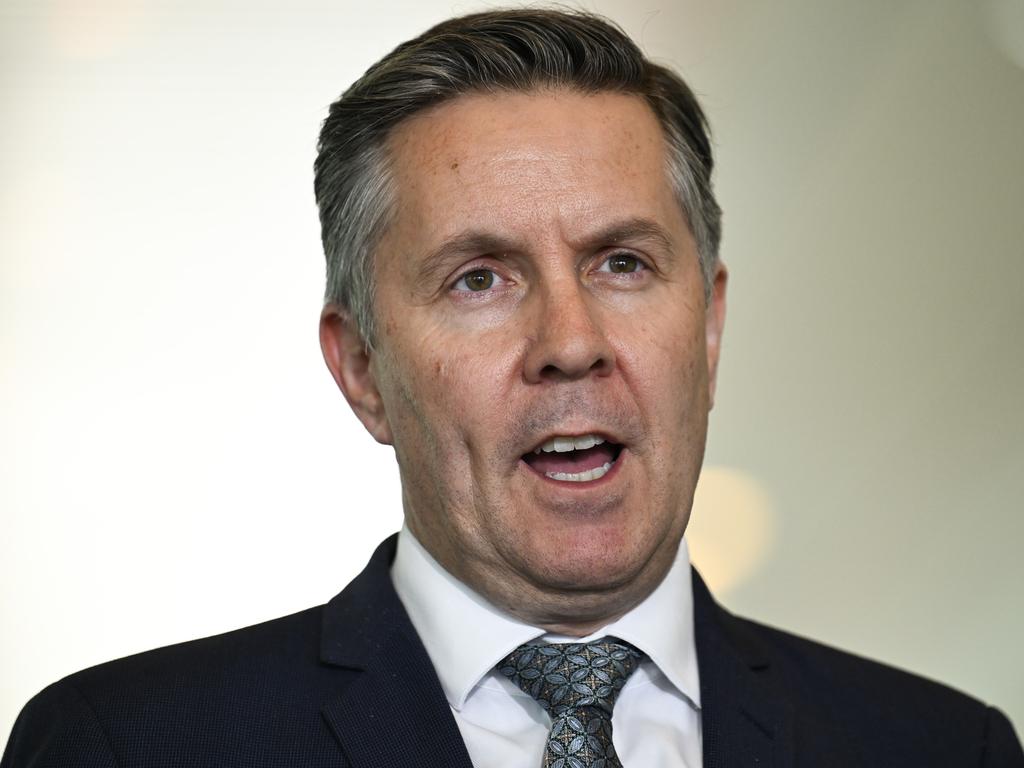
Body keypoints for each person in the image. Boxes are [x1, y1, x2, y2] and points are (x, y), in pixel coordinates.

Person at [3, 8, 1021, 768]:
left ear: (707, 328)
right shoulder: (126, 747)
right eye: (478, 278)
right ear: (360, 367)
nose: (569, 342)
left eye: (621, 262)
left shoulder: (940, 750)